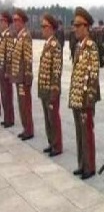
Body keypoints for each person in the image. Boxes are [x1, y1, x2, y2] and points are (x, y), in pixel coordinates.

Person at [69, 7, 100, 180]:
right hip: (76, 97)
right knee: (79, 133)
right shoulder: (79, 47)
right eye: (74, 25)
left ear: (86, 27)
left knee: (87, 132)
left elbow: (93, 75)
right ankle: (82, 164)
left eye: (78, 25)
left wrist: (88, 99)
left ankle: (90, 166)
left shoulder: (91, 47)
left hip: (85, 98)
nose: (75, 28)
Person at [38, 13, 63, 156]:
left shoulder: (55, 46)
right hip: (44, 88)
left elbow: (56, 70)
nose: (42, 29)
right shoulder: (47, 44)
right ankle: (51, 142)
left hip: (51, 90)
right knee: (47, 118)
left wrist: (54, 90)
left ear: (52, 28)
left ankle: (57, 145)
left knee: (53, 118)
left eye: (44, 26)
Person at [11, 8, 34, 140]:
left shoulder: (26, 37)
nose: (14, 23)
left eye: (17, 20)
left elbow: (27, 59)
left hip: (23, 78)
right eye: (13, 20)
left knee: (26, 105)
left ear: (23, 21)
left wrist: (27, 78)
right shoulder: (18, 36)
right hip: (18, 77)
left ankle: (29, 130)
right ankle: (25, 128)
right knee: (21, 104)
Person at [0, 11, 15, 127]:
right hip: (1, 69)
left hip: (5, 70)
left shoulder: (8, 36)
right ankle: (6, 117)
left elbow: (9, 55)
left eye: (1, 21)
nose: (0, 23)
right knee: (3, 95)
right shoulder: (2, 36)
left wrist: (8, 71)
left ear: (6, 22)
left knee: (7, 95)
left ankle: (9, 119)